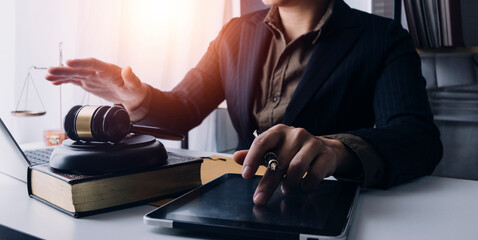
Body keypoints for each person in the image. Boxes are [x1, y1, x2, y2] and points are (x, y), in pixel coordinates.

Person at [46, 0, 443, 206]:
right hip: (241, 200)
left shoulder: (383, 37)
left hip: (332, 205)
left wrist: (335, 149)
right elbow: (184, 108)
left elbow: (417, 137)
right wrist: (138, 97)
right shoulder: (235, 34)